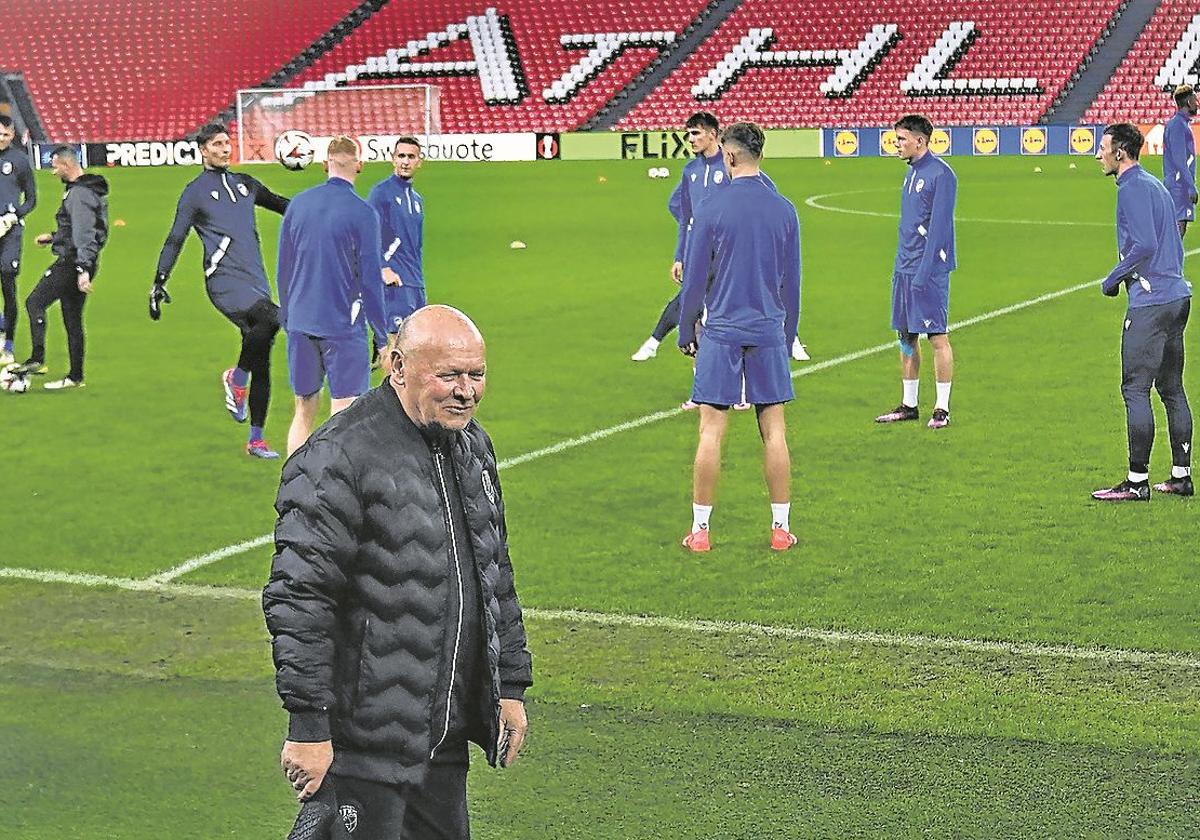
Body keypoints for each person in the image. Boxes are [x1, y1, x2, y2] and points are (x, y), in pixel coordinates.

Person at [263, 304, 532, 840]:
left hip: (441, 736)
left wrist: (511, 685)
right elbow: (301, 597)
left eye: (476, 374)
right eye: (448, 375)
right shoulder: (339, 455)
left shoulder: (473, 446)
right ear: (398, 366)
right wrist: (309, 726)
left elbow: (493, 572)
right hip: (364, 746)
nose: (466, 390)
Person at [677, 122, 801, 552]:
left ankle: (701, 533)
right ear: (759, 155)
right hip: (767, 329)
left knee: (711, 430)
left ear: (728, 156)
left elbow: (693, 280)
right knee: (775, 430)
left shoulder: (711, 208)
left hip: (723, 330)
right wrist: (787, 337)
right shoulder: (784, 209)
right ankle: (781, 530)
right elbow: (793, 285)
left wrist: (687, 327)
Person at [630, 113, 807, 403]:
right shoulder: (690, 171)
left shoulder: (738, 175)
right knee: (701, 316)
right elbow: (684, 215)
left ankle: (732, 388)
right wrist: (681, 254)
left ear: (715, 137)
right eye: (688, 134)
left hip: (731, 254)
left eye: (696, 133)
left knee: (717, 315)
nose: (691, 140)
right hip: (702, 250)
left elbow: (761, 209)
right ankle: (703, 386)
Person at [152, 122, 290, 459]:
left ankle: (256, 438)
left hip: (255, 279)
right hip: (224, 281)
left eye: (227, 143)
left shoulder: (245, 184)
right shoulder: (194, 192)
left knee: (262, 347)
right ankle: (237, 377)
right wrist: (159, 279)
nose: (225, 149)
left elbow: (284, 205)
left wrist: (323, 204)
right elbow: (176, 237)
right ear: (202, 150)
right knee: (273, 319)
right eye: (216, 144)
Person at [1091, 123, 1193, 501]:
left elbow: (1145, 244)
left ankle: (1137, 482)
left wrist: (1113, 278)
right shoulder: (1155, 186)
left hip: (1151, 303)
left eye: (1102, 148)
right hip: (1176, 297)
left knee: (1135, 389)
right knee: (1171, 388)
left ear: (1120, 152)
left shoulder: (1131, 188)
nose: (1097, 155)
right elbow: (1171, 244)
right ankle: (1181, 476)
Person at [277, 135, 387, 456]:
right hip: (342, 326)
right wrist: (382, 338)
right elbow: (371, 282)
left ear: (325, 164)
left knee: (303, 410)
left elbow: (284, 268)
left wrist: (289, 317)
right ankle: (340, 496)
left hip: (299, 322)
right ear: (360, 165)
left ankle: (294, 490)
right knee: (345, 414)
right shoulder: (363, 213)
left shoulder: (298, 204)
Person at [874, 114, 957, 429]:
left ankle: (941, 408)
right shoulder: (910, 174)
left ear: (920, 141)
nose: (896, 145)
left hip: (929, 270)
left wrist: (924, 272)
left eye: (901, 140)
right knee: (906, 337)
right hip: (904, 267)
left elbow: (939, 228)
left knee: (937, 336)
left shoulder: (941, 175)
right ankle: (909, 404)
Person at [12, 146, 106, 390]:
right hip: (81, 261)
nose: (53, 172)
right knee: (72, 319)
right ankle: (75, 377)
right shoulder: (84, 191)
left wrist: (83, 269)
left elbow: (84, 233)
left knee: (34, 302)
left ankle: (37, 358)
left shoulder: (79, 195)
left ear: (66, 165)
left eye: (55, 166)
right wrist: (54, 237)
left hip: (73, 263)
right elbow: (80, 230)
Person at [366, 136, 425, 340]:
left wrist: (419, 281)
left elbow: (415, 245)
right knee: (395, 342)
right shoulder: (381, 193)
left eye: (411, 157)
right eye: (401, 156)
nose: (405, 161)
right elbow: (368, 233)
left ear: (419, 161)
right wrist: (382, 268)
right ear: (393, 159)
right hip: (395, 281)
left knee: (415, 345)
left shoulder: (417, 200)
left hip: (415, 283)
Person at [0, 114, 36, 367]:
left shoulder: (20, 161)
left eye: (5, 134)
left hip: (10, 232)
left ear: (12, 135)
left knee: (8, 286)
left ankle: (8, 345)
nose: (1, 139)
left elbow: (32, 199)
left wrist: (14, 217)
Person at [1163, 85, 1198, 238]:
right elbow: (1179, 160)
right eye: (1195, 100)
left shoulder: (1181, 124)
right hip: (1179, 185)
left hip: (1179, 183)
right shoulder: (1177, 125)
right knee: (1177, 230)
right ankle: (1167, 261)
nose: (1197, 103)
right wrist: (1190, 186)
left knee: (1178, 229)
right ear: (1189, 102)